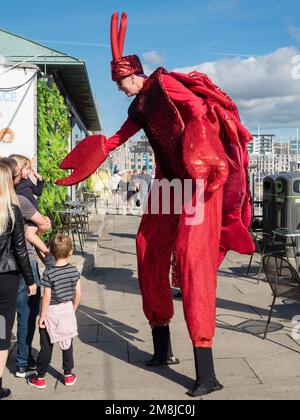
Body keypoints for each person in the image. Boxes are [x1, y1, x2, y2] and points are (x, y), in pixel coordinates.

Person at [56, 12, 255, 397]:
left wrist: (200, 147)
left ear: (133, 75)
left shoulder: (164, 85)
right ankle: (162, 348)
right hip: (168, 183)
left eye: (120, 83)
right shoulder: (138, 108)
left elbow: (198, 112)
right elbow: (115, 140)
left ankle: (206, 373)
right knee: (147, 249)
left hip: (197, 181)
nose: (119, 90)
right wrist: (90, 156)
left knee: (191, 257)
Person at [0, 157, 52, 378]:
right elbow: (22, 245)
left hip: (9, 270)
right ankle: (22, 362)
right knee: (25, 315)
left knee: (3, 324)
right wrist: (31, 280)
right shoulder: (18, 203)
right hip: (13, 271)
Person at [0, 163, 36, 400]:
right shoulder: (11, 209)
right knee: (2, 332)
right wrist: (30, 280)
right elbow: (20, 250)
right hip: (6, 280)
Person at [28, 234, 81, 390]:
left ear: (51, 251)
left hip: (51, 311)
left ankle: (40, 377)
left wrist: (42, 316)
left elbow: (47, 296)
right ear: (70, 252)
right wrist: (73, 308)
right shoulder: (73, 271)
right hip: (67, 309)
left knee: (46, 345)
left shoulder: (49, 273)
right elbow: (78, 293)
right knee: (67, 343)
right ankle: (69, 375)